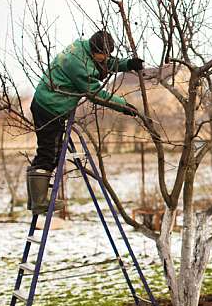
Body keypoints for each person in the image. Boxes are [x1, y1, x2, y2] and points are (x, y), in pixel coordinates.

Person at [27, 30, 144, 214]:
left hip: (48, 104)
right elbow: (96, 94)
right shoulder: (78, 66)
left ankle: (34, 200)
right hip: (50, 107)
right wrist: (124, 106)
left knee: (49, 152)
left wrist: (127, 64)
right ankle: (39, 202)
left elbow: (103, 64)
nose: (106, 58)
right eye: (103, 54)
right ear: (95, 49)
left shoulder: (83, 49)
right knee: (48, 153)